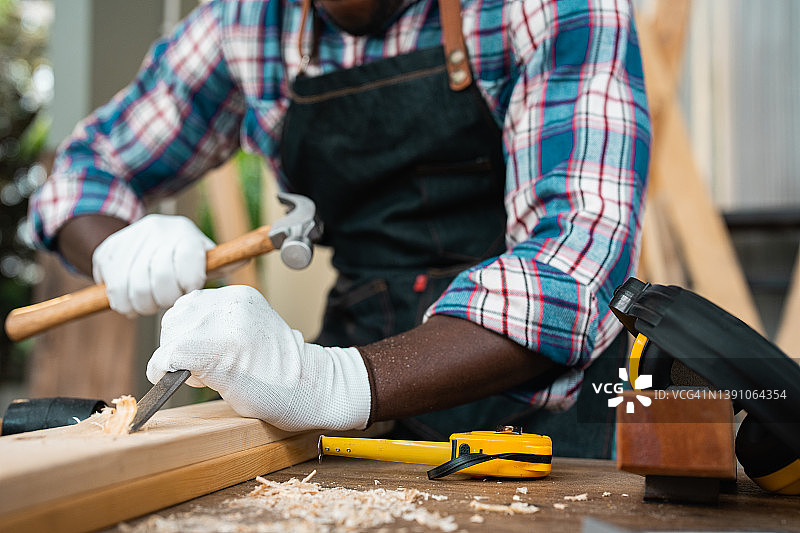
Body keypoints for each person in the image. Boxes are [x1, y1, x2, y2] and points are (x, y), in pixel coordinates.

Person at [30, 0, 650, 456]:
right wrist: (116, 245)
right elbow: (83, 170)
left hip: (543, 412)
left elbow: (576, 262)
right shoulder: (247, 21)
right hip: (359, 383)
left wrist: (332, 383)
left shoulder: (548, 8)